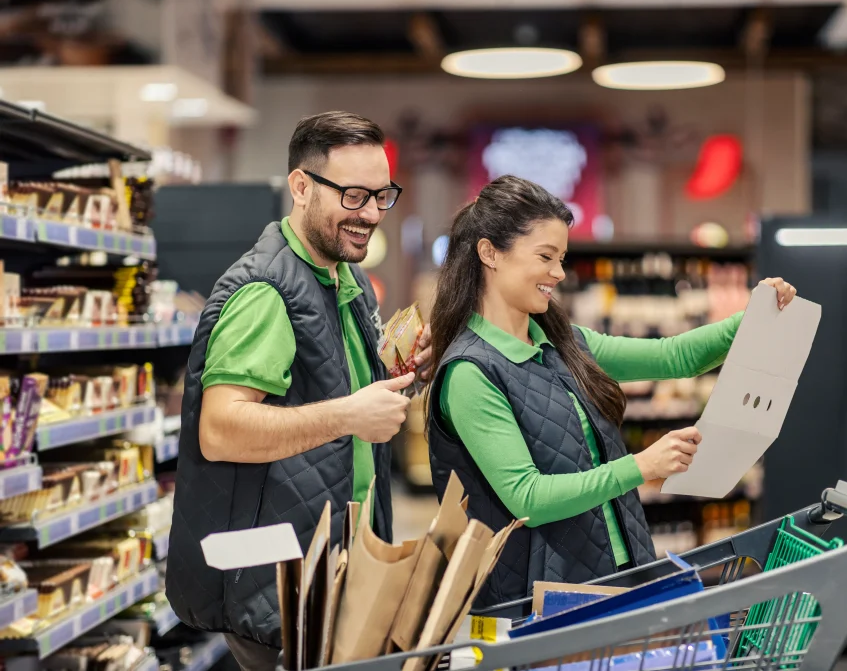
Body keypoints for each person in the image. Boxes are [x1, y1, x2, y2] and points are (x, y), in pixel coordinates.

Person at [425, 175, 796, 607]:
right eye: (545, 257)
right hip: (534, 598)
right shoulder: (471, 372)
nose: (558, 274)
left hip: (616, 573)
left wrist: (751, 318)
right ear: (489, 252)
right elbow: (528, 498)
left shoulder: (564, 342)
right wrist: (642, 465)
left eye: (561, 258)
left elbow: (673, 357)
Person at [166, 111, 431, 671]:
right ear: (301, 186)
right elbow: (220, 430)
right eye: (354, 195)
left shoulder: (343, 278)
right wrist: (348, 416)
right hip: (276, 584)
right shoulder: (265, 292)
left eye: (382, 196)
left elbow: (340, 391)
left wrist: (405, 372)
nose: (370, 215)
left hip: (333, 564)